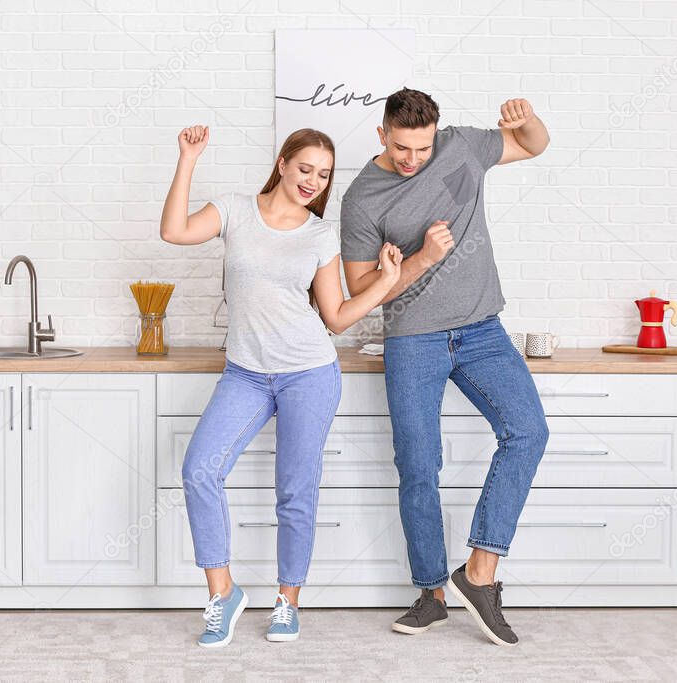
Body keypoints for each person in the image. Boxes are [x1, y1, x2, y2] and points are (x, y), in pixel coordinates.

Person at [161, 125, 403, 648]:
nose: (313, 181)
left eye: (323, 174)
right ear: (283, 162)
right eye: (305, 169)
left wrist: (384, 282)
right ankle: (222, 594)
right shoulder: (233, 211)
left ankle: (287, 603)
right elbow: (174, 231)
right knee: (199, 469)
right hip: (245, 373)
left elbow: (336, 317)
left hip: (309, 374)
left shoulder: (319, 236)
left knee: (294, 493)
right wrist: (188, 159)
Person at [341, 88, 551, 646]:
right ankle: (431, 595)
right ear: (382, 134)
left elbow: (534, 146)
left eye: (423, 147)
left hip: (483, 328)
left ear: (438, 133)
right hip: (414, 338)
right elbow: (363, 292)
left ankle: (479, 574)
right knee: (418, 464)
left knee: (528, 431)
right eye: (403, 147)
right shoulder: (363, 198)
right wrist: (422, 259)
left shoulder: (462, 148)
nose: (413, 159)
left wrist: (529, 120)